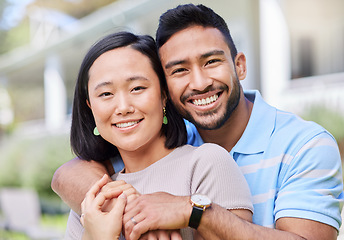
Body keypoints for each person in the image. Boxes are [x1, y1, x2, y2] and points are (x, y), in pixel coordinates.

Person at [52, 4, 344, 240]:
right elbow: (68, 174)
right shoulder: (150, 140)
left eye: (211, 62)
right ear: (166, 86)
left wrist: (191, 210)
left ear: (239, 65)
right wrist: (127, 212)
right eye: (179, 70)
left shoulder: (306, 145)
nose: (200, 83)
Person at [62, 31, 253, 240]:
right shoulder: (94, 201)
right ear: (90, 107)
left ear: (163, 94)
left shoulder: (206, 164)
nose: (123, 107)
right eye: (106, 94)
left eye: (137, 88)